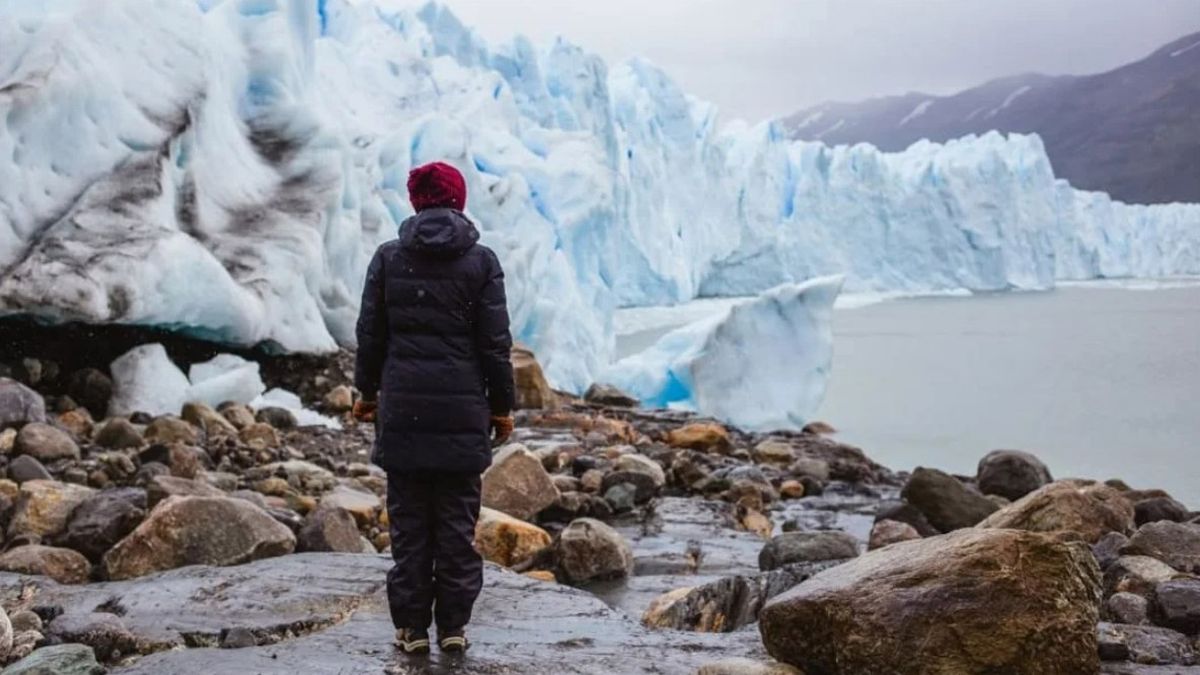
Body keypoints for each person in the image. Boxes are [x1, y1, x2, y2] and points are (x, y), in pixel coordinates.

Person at [352, 161, 515, 655]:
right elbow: (494, 345)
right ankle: (453, 627)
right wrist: (502, 407)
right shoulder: (481, 263)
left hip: (404, 413)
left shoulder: (389, 259)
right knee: (456, 529)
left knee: (409, 529)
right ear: (459, 200)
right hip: (463, 416)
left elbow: (371, 335)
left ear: (415, 201)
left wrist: (366, 393)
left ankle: (411, 629)